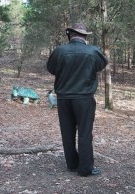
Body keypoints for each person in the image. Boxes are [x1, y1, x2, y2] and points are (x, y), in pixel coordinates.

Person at [47, 22, 108, 177]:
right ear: (85, 36)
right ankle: (85, 169)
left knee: (67, 132)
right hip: (84, 99)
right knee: (85, 133)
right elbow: (101, 65)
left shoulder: (59, 51)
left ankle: (72, 164)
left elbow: (51, 69)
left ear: (70, 35)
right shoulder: (94, 51)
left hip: (63, 98)